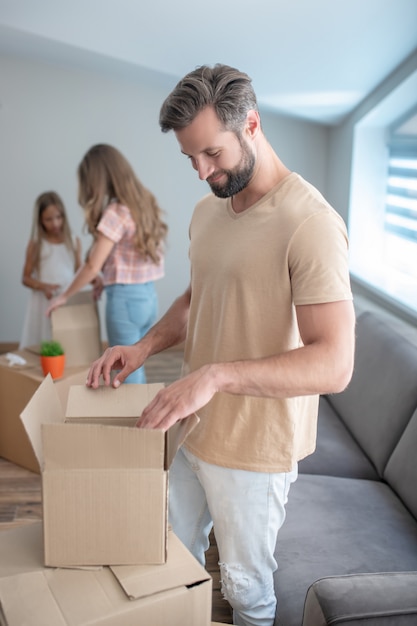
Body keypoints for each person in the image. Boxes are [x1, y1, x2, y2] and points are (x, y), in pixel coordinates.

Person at [86, 65, 356, 625]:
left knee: (245, 590)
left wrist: (214, 376)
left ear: (251, 124)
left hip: (255, 450)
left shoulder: (310, 223)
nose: (201, 171)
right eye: (190, 157)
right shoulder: (208, 211)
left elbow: (334, 363)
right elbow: (198, 299)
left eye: (211, 154)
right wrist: (140, 349)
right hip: (194, 429)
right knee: (171, 558)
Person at [46, 144, 168, 384]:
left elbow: (92, 265)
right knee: (135, 365)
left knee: (124, 370)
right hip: (148, 298)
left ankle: (134, 421)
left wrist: (64, 296)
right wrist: (105, 277)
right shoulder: (142, 203)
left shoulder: (115, 211)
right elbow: (121, 255)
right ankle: (139, 417)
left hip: (124, 303)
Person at [19, 191, 82, 349]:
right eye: (49, 219)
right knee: (42, 341)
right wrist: (44, 286)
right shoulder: (36, 244)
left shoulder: (74, 241)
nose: (55, 223)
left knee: (65, 342)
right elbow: (25, 278)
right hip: (43, 301)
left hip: (65, 299)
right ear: (40, 220)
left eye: (58, 217)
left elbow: (80, 272)